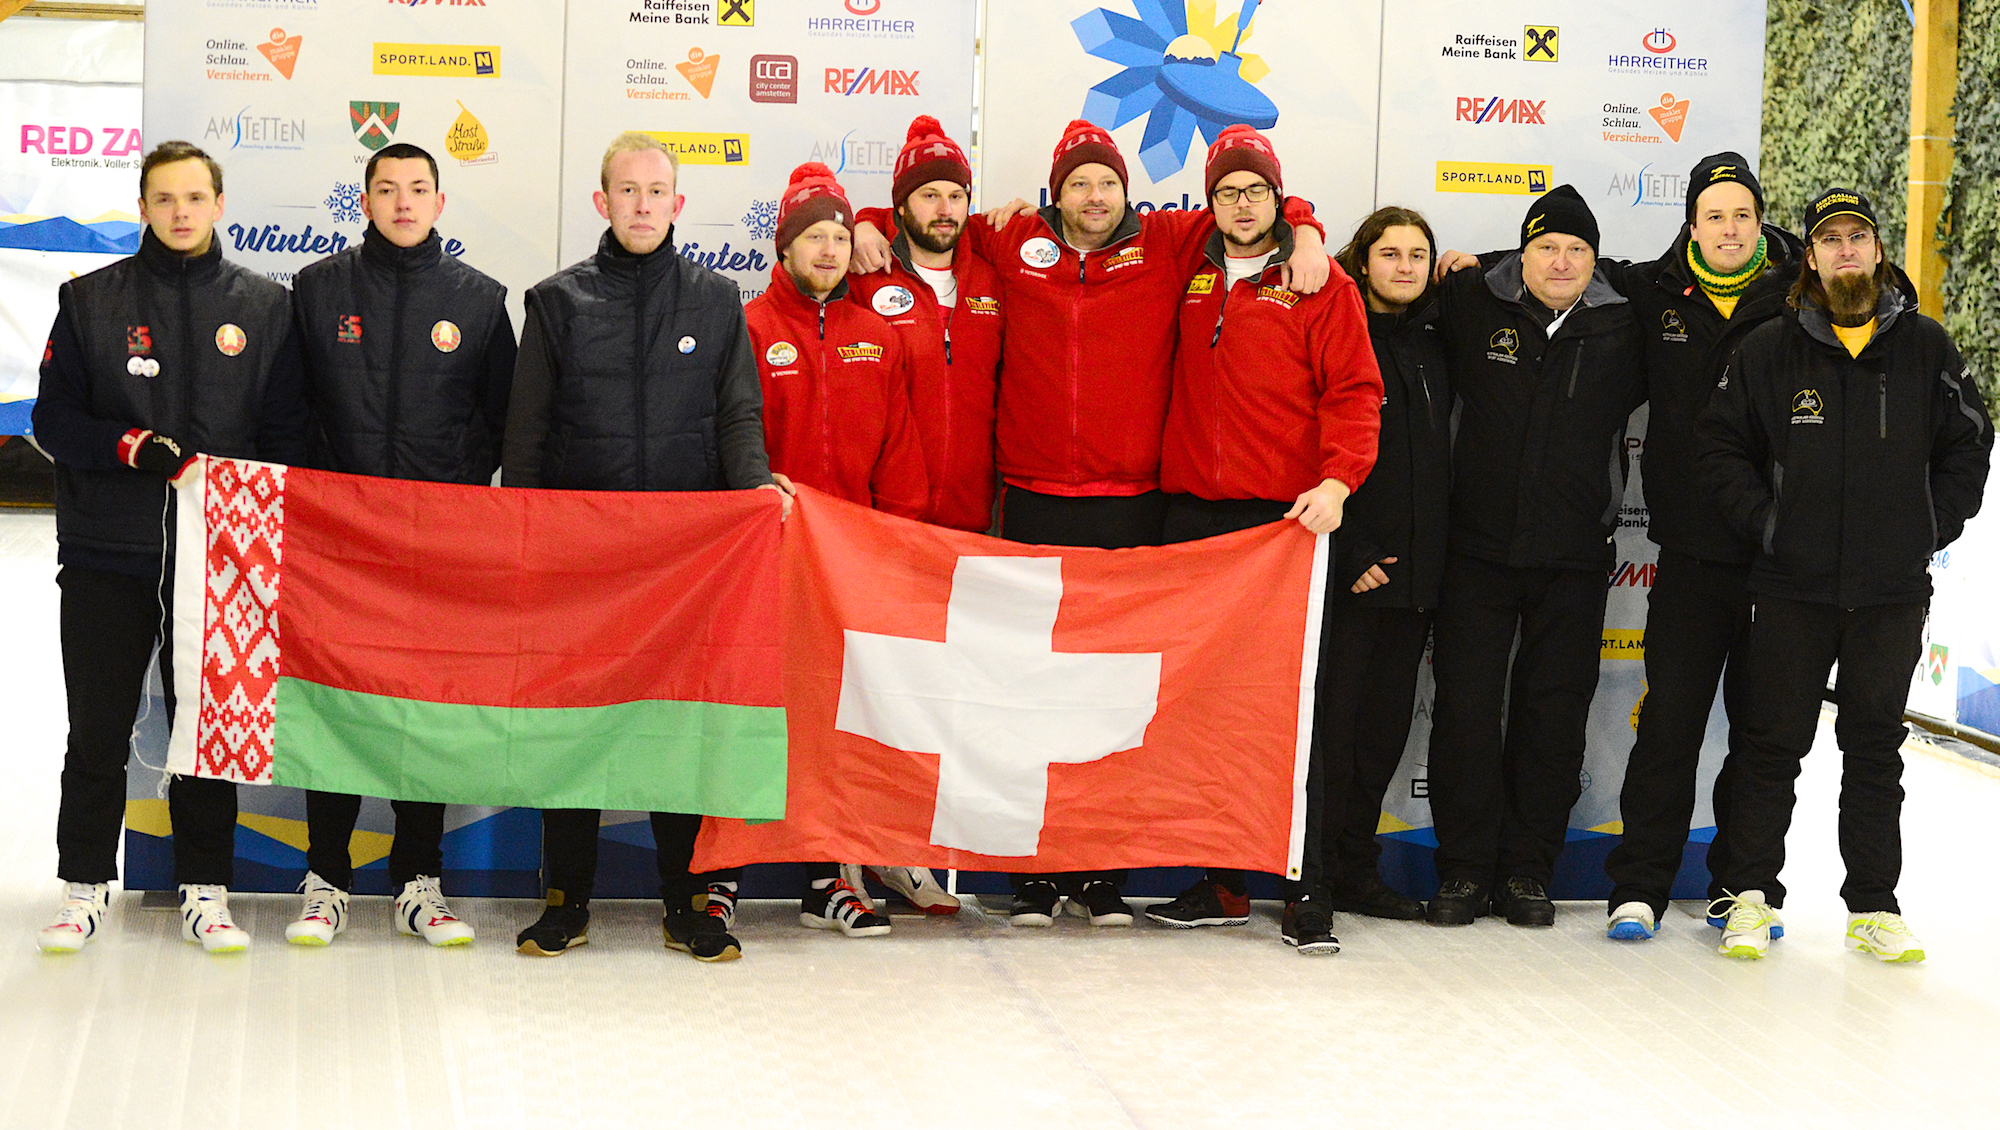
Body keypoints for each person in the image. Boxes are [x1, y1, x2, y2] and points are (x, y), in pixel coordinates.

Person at [856, 119, 1331, 927]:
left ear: (1126, 191)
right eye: (1078, 182)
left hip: (1133, 501)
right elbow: (926, 217)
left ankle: (1101, 869)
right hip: (1033, 499)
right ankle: (1035, 876)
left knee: (1109, 704)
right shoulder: (1010, 242)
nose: (1094, 196)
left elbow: (1247, 198)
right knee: (1027, 696)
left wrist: (1309, 228)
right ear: (1056, 192)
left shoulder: (1172, 242)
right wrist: (867, 225)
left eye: (1106, 181)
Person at [502, 132, 788, 962]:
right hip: (579, 563)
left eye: (655, 192)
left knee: (676, 728)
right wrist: (525, 531)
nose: (640, 205)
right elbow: (528, 437)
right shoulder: (554, 304)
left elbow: (738, 417)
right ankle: (567, 900)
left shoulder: (715, 299)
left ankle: (683, 901)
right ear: (602, 202)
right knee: (574, 726)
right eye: (625, 192)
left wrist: (753, 498)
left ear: (676, 203)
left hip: (685, 562)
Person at [1697, 188, 1990, 962]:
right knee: (1771, 745)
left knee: (1874, 749)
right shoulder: (1769, 348)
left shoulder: (1926, 346)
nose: (1846, 250)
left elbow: (1969, 440)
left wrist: (1930, 527)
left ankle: (1874, 907)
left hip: (1891, 592)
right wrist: (1770, 526)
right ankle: (1749, 895)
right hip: (1791, 589)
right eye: (1830, 239)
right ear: (1812, 258)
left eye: (1858, 235)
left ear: (1878, 250)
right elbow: (1719, 447)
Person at [34, 140, 308, 954]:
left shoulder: (266, 306)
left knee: (206, 729)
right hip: (105, 554)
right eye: (164, 198)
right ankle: (83, 886)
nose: (181, 212)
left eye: (195, 197)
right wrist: (128, 445)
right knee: (96, 727)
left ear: (219, 204)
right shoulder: (89, 300)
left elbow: (287, 433)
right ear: (145, 207)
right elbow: (52, 421)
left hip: (219, 562)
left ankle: (206, 889)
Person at [1139, 126, 1382, 955]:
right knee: (1209, 709)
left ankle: (1307, 888)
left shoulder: (1321, 282)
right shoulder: (1184, 262)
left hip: (1284, 526)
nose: (1242, 206)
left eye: (1257, 192)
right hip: (1193, 520)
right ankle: (1222, 879)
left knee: (1296, 713)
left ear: (1279, 199)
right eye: (1226, 192)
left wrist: (1338, 481)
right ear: (1207, 203)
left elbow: (1355, 392)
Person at [283, 143, 516, 948]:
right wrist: (331, 501)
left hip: (436, 548)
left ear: (440, 203)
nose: (404, 202)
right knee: (336, 708)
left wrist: (446, 490)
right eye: (388, 189)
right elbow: (292, 410)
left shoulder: (482, 301)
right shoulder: (317, 289)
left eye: (419, 189)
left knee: (423, 712)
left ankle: (420, 879)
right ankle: (326, 878)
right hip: (338, 545)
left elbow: (502, 420)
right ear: (366, 200)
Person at [1423, 185, 1645, 928]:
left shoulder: (1625, 321)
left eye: (1576, 250)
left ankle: (1525, 871)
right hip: (1475, 552)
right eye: (1546, 247)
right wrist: (1474, 263)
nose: (1560, 261)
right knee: (1465, 712)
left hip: (1575, 557)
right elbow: (1392, 286)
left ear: (1595, 260)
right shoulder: (1472, 303)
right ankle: (1462, 871)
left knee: (1553, 719)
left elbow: (1704, 277)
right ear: (1522, 254)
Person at [1600, 154, 1807, 942]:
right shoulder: (1654, 291)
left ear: (1761, 222)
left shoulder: (1800, 293)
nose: (1729, 228)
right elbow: (1564, 260)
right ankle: (1640, 886)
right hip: (1690, 552)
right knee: (1671, 723)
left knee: (1765, 732)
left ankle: (1744, 887)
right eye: (1714, 215)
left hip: (1783, 557)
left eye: (1743, 215)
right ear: (1691, 223)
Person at [744, 160, 926, 939]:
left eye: (838, 237)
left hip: (850, 570)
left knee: (834, 725)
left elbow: (901, 458)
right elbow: (730, 444)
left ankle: (829, 878)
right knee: (750, 718)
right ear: (784, 248)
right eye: (811, 237)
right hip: (762, 564)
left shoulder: (877, 338)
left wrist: (892, 553)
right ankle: (722, 877)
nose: (826, 250)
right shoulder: (749, 329)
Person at [834, 114, 1002, 916]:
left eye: (955, 194)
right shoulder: (864, 269)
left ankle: (907, 853)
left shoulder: (998, 266)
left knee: (934, 700)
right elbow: (810, 240)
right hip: (879, 528)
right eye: (927, 194)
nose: (944, 208)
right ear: (899, 205)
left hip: (969, 526)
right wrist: (861, 225)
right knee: (867, 694)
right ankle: (845, 855)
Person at [1311, 207, 1450, 926]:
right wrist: (1352, 552)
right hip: (1351, 578)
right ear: (1360, 263)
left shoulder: (1437, 340)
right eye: (1389, 253)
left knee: (1382, 740)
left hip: (1418, 585)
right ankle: (1317, 877)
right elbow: (1313, 448)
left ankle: (1358, 869)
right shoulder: (1337, 330)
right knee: (1333, 737)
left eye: (1418, 254)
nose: (1404, 265)